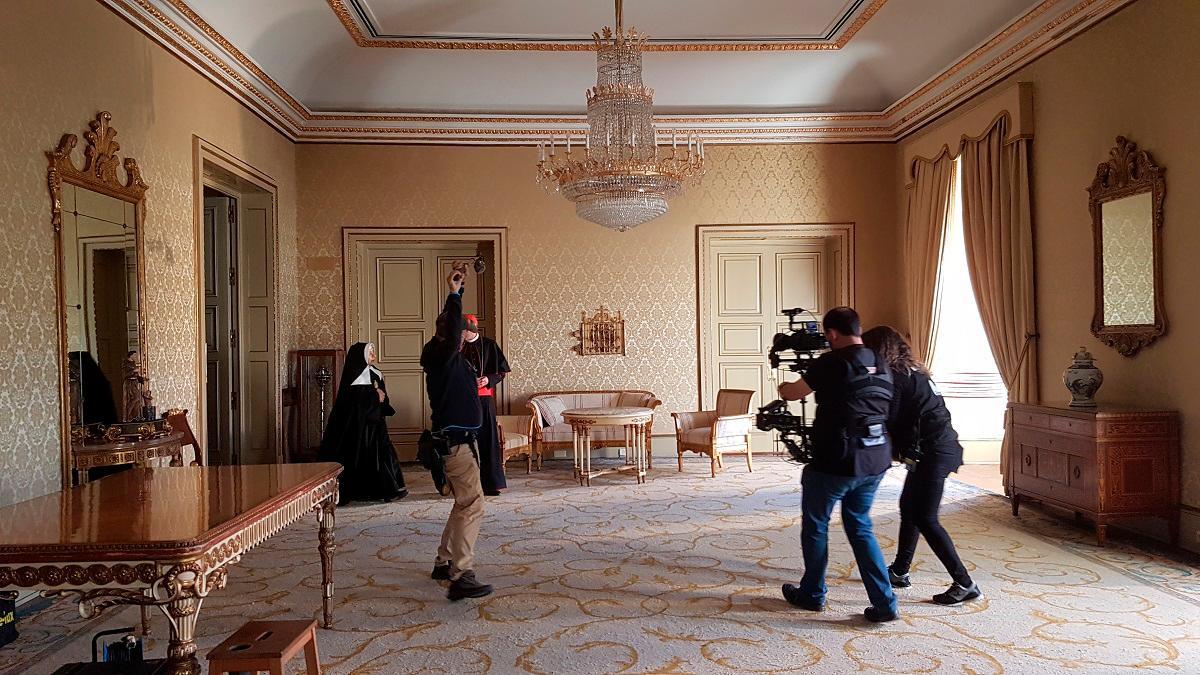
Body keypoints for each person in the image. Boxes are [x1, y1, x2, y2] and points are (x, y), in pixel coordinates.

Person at [776, 306, 899, 622]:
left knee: (816, 525)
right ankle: (885, 604)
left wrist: (782, 385)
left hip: (836, 461)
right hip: (876, 458)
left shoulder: (831, 362)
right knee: (860, 525)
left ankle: (813, 594)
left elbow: (793, 393)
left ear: (831, 334)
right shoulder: (880, 361)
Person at [862, 325, 982, 605]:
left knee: (926, 518)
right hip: (934, 449)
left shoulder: (898, 378)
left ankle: (965, 583)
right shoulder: (913, 372)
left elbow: (887, 419)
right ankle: (900, 571)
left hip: (933, 452)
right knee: (909, 508)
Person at [420, 265, 493, 601]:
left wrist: (458, 294)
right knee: (473, 504)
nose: (465, 334)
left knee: (463, 503)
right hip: (456, 445)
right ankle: (461, 574)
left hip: (459, 442)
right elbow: (450, 329)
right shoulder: (444, 355)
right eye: (461, 331)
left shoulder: (446, 357)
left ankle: (443, 561)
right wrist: (453, 293)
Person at [317, 342, 407, 505]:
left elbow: (382, 395)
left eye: (373, 352)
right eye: (370, 352)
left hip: (375, 423)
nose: (373, 355)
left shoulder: (376, 373)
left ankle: (382, 488)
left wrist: (381, 398)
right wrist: (374, 396)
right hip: (357, 427)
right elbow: (355, 403)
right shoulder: (353, 374)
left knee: (381, 454)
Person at [461, 314, 511, 496]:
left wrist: (488, 379)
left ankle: (491, 484)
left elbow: (502, 371)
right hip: (462, 399)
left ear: (471, 329)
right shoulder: (457, 346)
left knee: (488, 440)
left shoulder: (489, 345)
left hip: (484, 399)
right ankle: (465, 485)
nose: (462, 333)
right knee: (463, 442)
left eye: (464, 330)